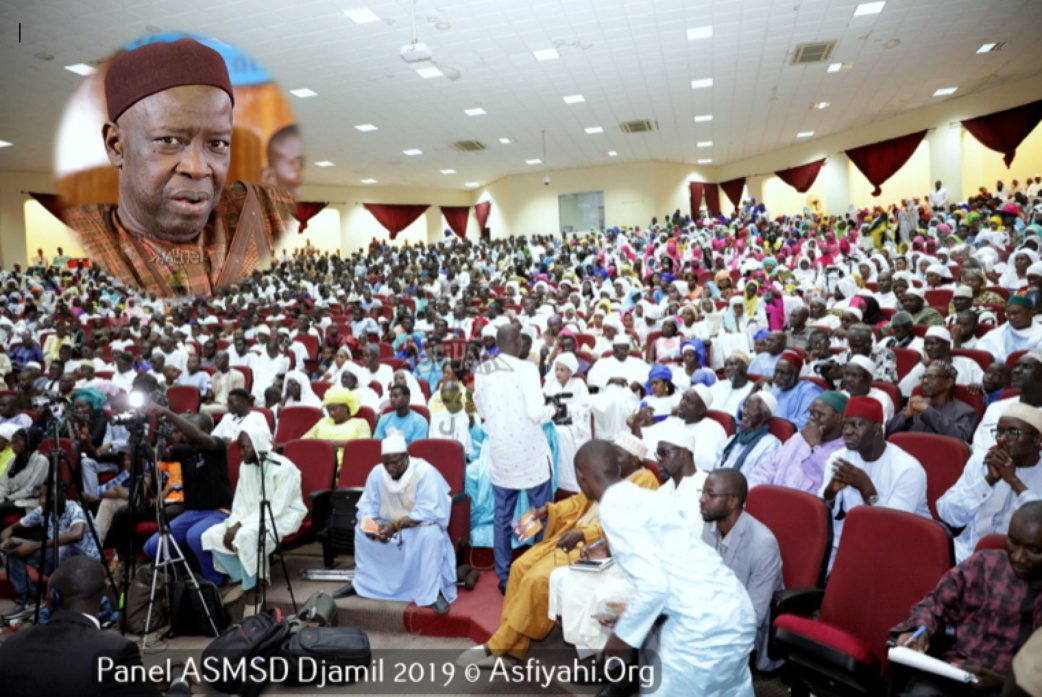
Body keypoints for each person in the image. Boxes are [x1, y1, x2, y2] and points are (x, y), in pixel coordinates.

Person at [64, 38, 293, 296]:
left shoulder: (267, 211)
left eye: (217, 143)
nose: (197, 169)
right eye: (169, 141)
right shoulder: (85, 240)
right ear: (116, 145)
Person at [457, 433, 659, 667]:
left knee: (538, 579)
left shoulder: (644, 480)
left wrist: (584, 535)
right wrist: (547, 510)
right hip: (574, 535)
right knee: (520, 566)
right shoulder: (610, 477)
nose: (612, 462)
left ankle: (499, 646)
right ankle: (513, 650)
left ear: (635, 460)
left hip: (595, 546)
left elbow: (627, 530)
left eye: (618, 456)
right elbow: (577, 503)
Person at [577, 440, 757, 696]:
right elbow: (672, 566)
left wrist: (620, 640)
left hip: (703, 626)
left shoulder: (613, 507)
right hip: (735, 609)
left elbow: (654, 586)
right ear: (618, 467)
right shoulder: (642, 496)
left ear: (580, 477)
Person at [889, 502, 1042, 697]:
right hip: (956, 670)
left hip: (1010, 687)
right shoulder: (984, 564)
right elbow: (935, 603)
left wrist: (1001, 681)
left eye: (1034, 550)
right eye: (1013, 541)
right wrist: (921, 630)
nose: (1019, 557)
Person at [0, 556, 195, 696]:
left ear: (52, 597)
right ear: (101, 599)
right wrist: (180, 681)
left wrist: (140, 678)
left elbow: (59, 676)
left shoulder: (12, 644)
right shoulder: (115, 649)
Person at [331, 429, 457, 615]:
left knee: (430, 533)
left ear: (406, 456)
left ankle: (432, 591)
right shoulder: (377, 473)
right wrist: (373, 526)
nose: (391, 468)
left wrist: (395, 526)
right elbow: (367, 504)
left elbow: (430, 511)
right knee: (360, 529)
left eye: (396, 462)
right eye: (386, 463)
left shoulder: (424, 472)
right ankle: (362, 583)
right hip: (386, 526)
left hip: (415, 527)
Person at [473, 324, 557, 593]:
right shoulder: (527, 369)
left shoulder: (483, 369)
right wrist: (553, 408)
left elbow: (481, 408)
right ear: (518, 341)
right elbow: (535, 412)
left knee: (502, 517)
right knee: (541, 513)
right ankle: (538, 569)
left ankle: (505, 577)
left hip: (501, 454)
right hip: (529, 453)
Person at [201, 423, 306, 612]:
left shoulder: (284, 468)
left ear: (257, 445)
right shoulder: (246, 466)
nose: (240, 453)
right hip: (250, 515)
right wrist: (234, 523)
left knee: (245, 536)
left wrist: (240, 526)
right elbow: (240, 502)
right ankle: (248, 579)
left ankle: (253, 591)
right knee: (210, 535)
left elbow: (277, 508)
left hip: (284, 515)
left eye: (245, 447)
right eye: (239, 447)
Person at [819, 396, 930, 569]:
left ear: (877, 429)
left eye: (855, 425)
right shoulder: (839, 457)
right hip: (856, 538)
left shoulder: (908, 468)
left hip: (904, 544)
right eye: (845, 425)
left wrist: (867, 489)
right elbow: (827, 513)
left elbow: (894, 528)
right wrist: (830, 492)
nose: (847, 431)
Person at [700, 469, 784, 671]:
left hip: (740, 626)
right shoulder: (710, 525)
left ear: (732, 501)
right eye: (702, 493)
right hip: (710, 612)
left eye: (710, 495)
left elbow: (753, 616)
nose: (702, 500)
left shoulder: (763, 544)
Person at [937, 402, 1042, 563]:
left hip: (1019, 563)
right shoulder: (981, 460)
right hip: (966, 553)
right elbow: (947, 513)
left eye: (1013, 432)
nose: (1002, 438)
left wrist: (1014, 481)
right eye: (999, 431)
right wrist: (987, 481)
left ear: (1037, 439)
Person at [140, 406, 233, 587]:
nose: (182, 430)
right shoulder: (184, 450)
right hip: (192, 513)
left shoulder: (216, 446)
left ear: (205, 430)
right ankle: (181, 577)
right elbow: (157, 455)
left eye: (188, 426)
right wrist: (139, 432)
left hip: (219, 511)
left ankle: (214, 583)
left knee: (194, 536)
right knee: (151, 547)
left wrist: (168, 412)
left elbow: (197, 436)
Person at [0, 482, 101, 622]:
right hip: (59, 559)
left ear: (61, 496)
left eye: (47, 497)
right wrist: (6, 541)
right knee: (12, 546)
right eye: (39, 497)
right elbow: (9, 529)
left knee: (62, 547)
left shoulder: (74, 508)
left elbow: (77, 534)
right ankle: (30, 599)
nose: (41, 501)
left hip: (85, 564)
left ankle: (62, 598)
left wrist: (33, 546)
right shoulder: (42, 510)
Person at [748, 391, 848, 494]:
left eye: (818, 414)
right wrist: (755, 493)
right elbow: (766, 468)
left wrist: (815, 446)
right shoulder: (799, 438)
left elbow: (825, 485)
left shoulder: (845, 451)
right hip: (770, 501)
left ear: (838, 418)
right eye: (811, 413)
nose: (812, 418)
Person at [886, 361, 979, 441]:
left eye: (932, 377)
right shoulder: (916, 404)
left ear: (948, 383)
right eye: (923, 377)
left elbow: (960, 438)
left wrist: (928, 411)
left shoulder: (966, 412)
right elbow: (886, 432)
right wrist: (905, 416)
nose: (925, 381)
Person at [973, 352, 1042, 453]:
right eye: (1016, 366)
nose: (1016, 371)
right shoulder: (995, 407)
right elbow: (978, 446)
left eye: (1027, 367)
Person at [543, 353, 591, 494]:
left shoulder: (578, 384)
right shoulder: (550, 385)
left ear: (570, 371)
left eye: (562, 370)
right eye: (556, 369)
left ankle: (569, 482)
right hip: (552, 422)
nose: (558, 373)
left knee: (561, 434)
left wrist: (567, 410)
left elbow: (586, 406)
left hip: (573, 424)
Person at [587, 335, 648, 439]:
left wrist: (639, 382)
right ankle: (608, 438)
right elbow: (590, 378)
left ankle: (621, 438)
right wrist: (612, 380)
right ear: (614, 348)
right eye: (620, 349)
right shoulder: (603, 362)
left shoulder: (637, 362)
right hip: (606, 397)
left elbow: (650, 374)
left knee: (619, 402)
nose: (623, 352)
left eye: (626, 349)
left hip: (629, 398)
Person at [898, 326, 984, 397]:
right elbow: (903, 390)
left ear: (947, 345)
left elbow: (984, 386)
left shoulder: (967, 363)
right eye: (926, 344)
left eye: (932, 343)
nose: (928, 348)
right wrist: (925, 364)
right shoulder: (924, 367)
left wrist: (978, 386)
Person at [301, 387, 372, 465]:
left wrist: (329, 443)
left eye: (334, 409)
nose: (331, 413)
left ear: (346, 407)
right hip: (317, 461)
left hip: (346, 464)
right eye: (328, 410)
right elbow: (303, 441)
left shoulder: (360, 423)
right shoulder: (323, 422)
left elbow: (363, 446)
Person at [717, 392, 781, 475]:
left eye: (751, 409)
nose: (745, 412)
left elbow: (761, 477)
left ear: (765, 415)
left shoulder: (771, 444)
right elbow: (718, 464)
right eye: (745, 407)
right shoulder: (733, 438)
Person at [0, 428, 47, 523]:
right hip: (9, 499)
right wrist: (1, 497)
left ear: (29, 443)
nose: (13, 446)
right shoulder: (13, 460)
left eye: (17, 443)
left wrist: (7, 499)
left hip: (28, 501)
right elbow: (3, 485)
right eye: (12, 443)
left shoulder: (41, 461)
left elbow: (31, 490)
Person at [769, 349, 823, 429]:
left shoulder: (809, 391)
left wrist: (784, 427)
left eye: (783, 373)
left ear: (795, 374)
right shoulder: (776, 390)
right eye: (776, 372)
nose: (777, 376)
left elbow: (811, 418)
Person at [978, 297, 1042, 363]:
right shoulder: (998, 333)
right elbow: (982, 351)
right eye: (1009, 314)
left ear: (1031, 312)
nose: (1012, 317)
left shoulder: (1040, 333)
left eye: (1017, 313)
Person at [840, 354, 896, 421]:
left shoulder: (882, 399)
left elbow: (881, 429)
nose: (848, 379)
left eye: (854, 376)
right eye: (846, 374)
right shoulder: (841, 396)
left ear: (869, 379)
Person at [709, 350, 755, 419]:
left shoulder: (753, 390)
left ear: (745, 368)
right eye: (726, 365)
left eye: (733, 364)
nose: (728, 368)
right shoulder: (718, 386)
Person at [200, 350, 245, 415]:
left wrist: (219, 403)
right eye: (215, 359)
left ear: (227, 359)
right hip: (215, 404)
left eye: (219, 358)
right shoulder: (213, 377)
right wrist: (210, 395)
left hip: (227, 406)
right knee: (196, 406)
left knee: (203, 409)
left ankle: (208, 424)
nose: (216, 361)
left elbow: (238, 397)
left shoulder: (238, 375)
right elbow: (209, 394)